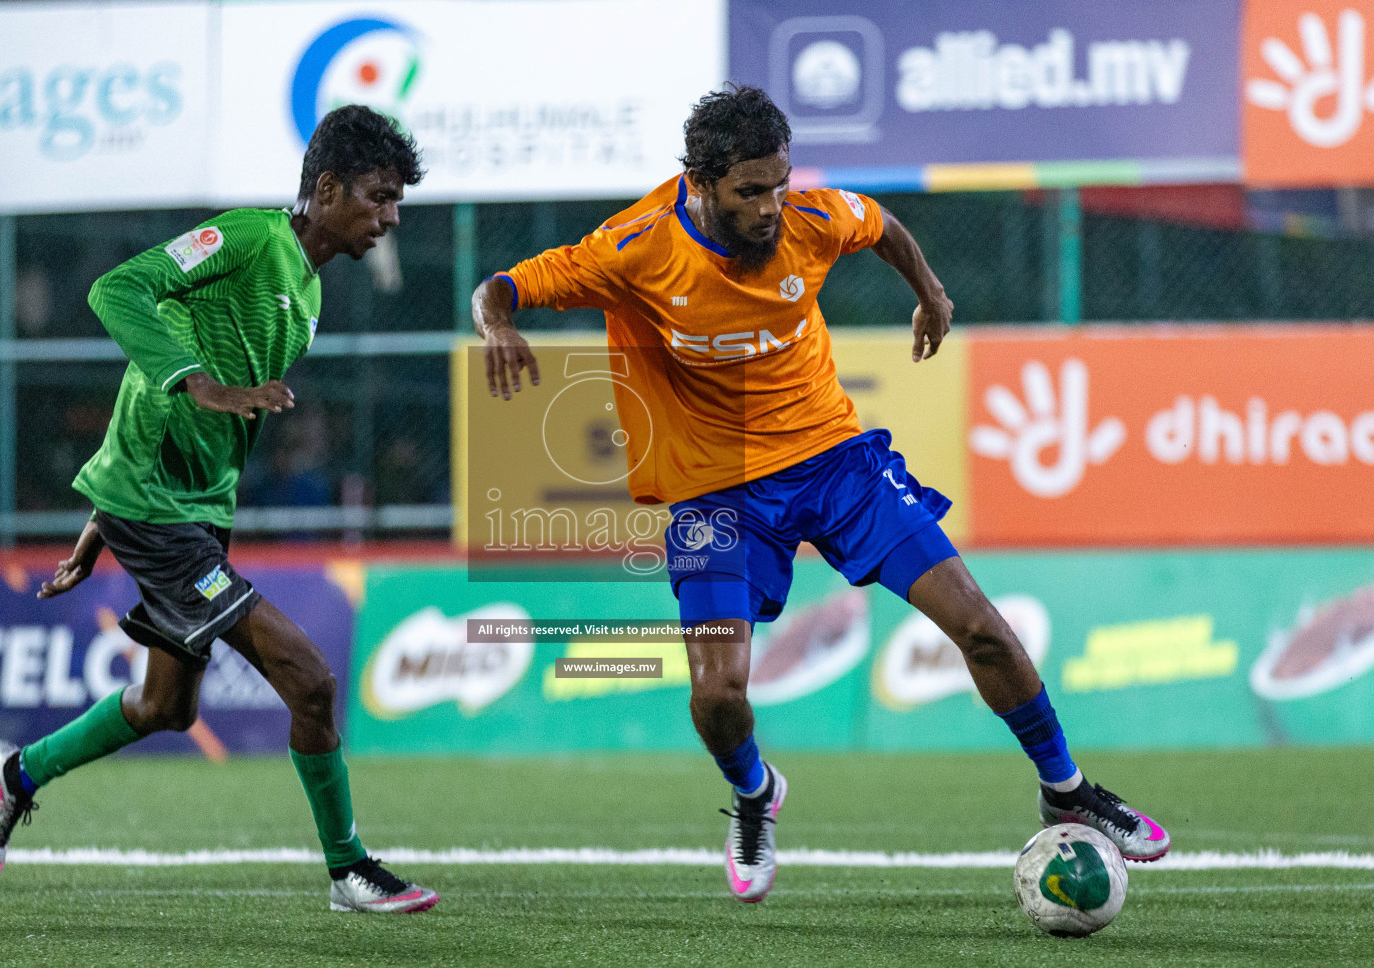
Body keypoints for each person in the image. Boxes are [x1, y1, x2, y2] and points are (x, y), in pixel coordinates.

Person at [472, 85, 1169, 904]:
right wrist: (499, 327)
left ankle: (1066, 786)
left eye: (780, 183)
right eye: (750, 191)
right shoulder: (634, 246)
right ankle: (755, 795)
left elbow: (879, 224)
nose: (771, 207)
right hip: (714, 489)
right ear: (699, 181)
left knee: (981, 627)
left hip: (834, 460)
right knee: (717, 694)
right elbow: (501, 287)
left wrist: (931, 292)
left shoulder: (811, 218)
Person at [0, 105, 440, 914]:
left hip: (178, 508)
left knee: (167, 706)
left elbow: (171, 411)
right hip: (156, 508)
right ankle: (349, 870)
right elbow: (118, 289)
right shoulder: (252, 239)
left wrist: (96, 524)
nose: (390, 218)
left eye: (396, 202)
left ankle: (12, 775)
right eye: (379, 197)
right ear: (326, 189)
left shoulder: (309, 286)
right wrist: (197, 383)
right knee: (311, 681)